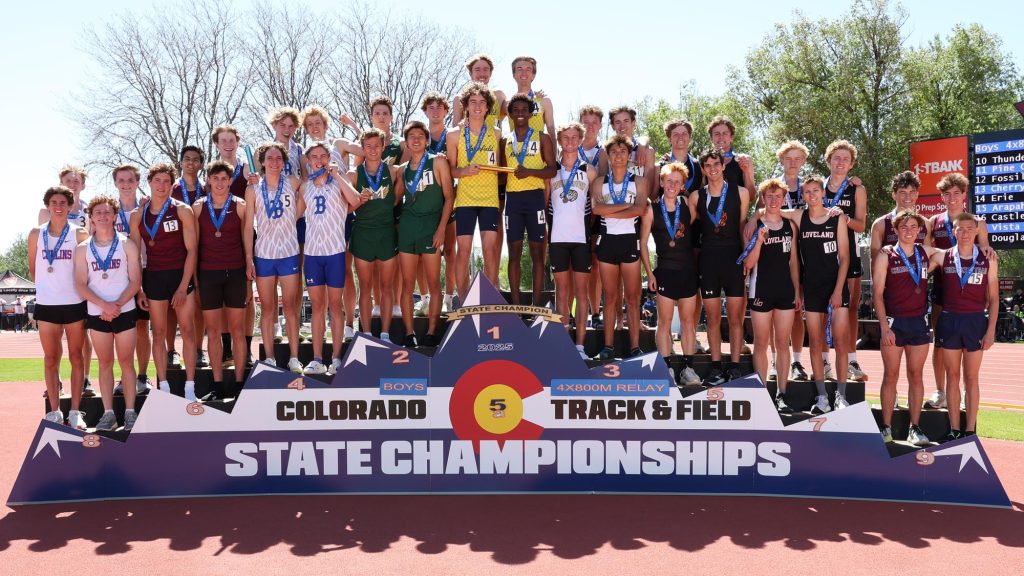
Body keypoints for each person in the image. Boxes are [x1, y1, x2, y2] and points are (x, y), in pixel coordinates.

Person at [130, 163, 199, 400]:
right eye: (157, 181)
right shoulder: (138, 215)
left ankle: (190, 387)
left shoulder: (182, 210)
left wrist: (183, 287)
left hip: (180, 275)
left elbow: (192, 250)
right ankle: (164, 386)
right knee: (158, 333)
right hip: (154, 277)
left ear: (172, 184)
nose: (162, 185)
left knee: (187, 330)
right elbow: (135, 256)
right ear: (149, 182)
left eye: (167, 181)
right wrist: (139, 289)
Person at [924, 173, 992, 410]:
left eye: (956, 193)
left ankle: (964, 393)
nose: (952, 198)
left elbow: (985, 251)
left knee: (968, 347)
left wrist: (986, 292)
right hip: (942, 288)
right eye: (947, 194)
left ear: (964, 195)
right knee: (940, 343)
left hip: (969, 292)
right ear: (942, 197)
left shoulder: (977, 222)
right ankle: (940, 391)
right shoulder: (934, 221)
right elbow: (926, 252)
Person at [74, 196, 142, 431]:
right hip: (97, 312)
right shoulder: (83, 249)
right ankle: (109, 414)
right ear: (91, 217)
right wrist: (104, 305)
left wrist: (116, 305)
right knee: (104, 363)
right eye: (98, 213)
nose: (103, 216)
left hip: (124, 310)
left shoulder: (127, 244)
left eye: (107, 212)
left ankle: (130, 412)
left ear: (114, 216)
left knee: (126, 362)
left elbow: (135, 281)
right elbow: (80, 284)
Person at [29, 186, 91, 428]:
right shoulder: (36, 233)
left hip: (74, 303)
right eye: (54, 202)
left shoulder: (80, 234)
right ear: (47, 205)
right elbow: (33, 269)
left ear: (70, 206)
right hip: (47, 304)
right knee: (50, 358)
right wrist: (48, 288)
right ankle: (54, 411)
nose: (58, 206)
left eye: (63, 203)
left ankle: (75, 411)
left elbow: (85, 268)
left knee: (76, 356)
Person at [932, 213, 998, 441]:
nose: (966, 233)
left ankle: (969, 430)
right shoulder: (943, 256)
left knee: (971, 378)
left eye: (970, 229)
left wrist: (990, 331)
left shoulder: (988, 258)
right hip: (949, 321)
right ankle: (954, 429)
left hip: (975, 322)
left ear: (977, 231)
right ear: (954, 231)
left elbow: (995, 299)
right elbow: (918, 254)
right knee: (952, 377)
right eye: (961, 229)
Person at [301, 143, 363, 374]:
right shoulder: (305, 186)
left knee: (336, 306)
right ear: (308, 161)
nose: (319, 160)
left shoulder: (339, 180)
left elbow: (355, 200)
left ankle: (336, 359)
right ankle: (317, 359)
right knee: (318, 306)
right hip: (312, 255)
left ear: (329, 158)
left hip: (335, 252)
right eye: (314, 157)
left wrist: (336, 174)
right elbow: (294, 213)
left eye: (323, 156)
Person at [874, 211, 935, 445]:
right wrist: (884, 327)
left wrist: (985, 248)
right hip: (894, 323)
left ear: (919, 230)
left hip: (919, 323)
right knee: (890, 375)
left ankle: (915, 427)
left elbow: (957, 252)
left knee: (916, 375)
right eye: (904, 227)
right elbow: (877, 294)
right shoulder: (886, 255)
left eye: (913, 227)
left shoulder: (926, 252)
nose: (909, 231)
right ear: (896, 230)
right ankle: (886, 427)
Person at [691, 149, 751, 386]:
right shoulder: (696, 197)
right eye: (707, 165)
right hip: (708, 261)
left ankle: (734, 366)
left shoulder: (741, 193)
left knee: (735, 318)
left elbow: (743, 225)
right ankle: (716, 367)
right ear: (703, 169)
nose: (713, 169)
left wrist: (746, 258)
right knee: (713, 318)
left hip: (734, 260)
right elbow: (687, 224)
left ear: (723, 165)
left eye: (716, 164)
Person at [792, 176, 851, 414]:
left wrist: (837, 290)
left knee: (840, 342)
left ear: (823, 193)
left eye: (816, 190)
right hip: (812, 288)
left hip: (836, 286)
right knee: (816, 343)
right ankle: (822, 396)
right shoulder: (800, 216)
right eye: (807, 192)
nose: (812, 195)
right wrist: (755, 218)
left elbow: (845, 257)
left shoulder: (837, 218)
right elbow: (769, 211)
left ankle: (841, 396)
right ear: (803, 195)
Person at [192, 160, 250, 399]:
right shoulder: (198, 207)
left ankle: (239, 384)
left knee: (237, 330)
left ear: (230, 181)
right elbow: (194, 247)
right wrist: (196, 280)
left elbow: (247, 240)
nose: (219, 183)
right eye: (215, 178)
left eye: (224, 178)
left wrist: (249, 270)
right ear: (208, 180)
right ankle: (217, 385)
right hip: (208, 274)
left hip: (235, 272)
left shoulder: (240, 205)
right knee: (213, 331)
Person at [244, 142, 304, 372]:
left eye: (278, 158)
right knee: (268, 309)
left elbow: (309, 192)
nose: (274, 162)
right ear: (262, 162)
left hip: (289, 252)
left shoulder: (292, 182)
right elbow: (248, 227)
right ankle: (269, 358)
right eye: (269, 158)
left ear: (284, 161)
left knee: (290, 308)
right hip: (264, 255)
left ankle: (294, 358)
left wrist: (295, 215)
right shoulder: (253, 189)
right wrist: (249, 258)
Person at [301, 105, 359, 341]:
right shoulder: (306, 154)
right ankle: (322, 326)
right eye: (310, 124)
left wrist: (353, 125)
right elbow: (305, 185)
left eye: (318, 123)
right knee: (320, 281)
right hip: (320, 220)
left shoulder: (338, 144)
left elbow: (367, 148)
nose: (315, 127)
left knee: (345, 271)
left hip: (343, 213)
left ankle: (349, 322)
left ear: (326, 125)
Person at [743, 179, 801, 411]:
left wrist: (796, 290)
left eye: (778, 196)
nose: (774, 200)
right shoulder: (754, 226)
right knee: (761, 342)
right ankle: (760, 393)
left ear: (784, 198)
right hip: (761, 289)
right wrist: (758, 241)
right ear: (763, 198)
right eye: (770, 196)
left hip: (785, 290)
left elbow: (794, 261)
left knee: (783, 343)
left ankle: (782, 394)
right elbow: (748, 263)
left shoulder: (790, 226)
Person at [640, 161, 701, 384]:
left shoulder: (687, 206)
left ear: (683, 185)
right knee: (664, 323)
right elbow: (643, 243)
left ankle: (688, 369)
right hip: (665, 272)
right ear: (661, 182)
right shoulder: (651, 210)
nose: (672, 185)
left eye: (677, 182)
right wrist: (650, 274)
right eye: (668, 181)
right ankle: (666, 369)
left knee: (688, 323)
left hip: (687, 272)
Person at [591, 135, 648, 360]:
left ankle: (635, 348)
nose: (618, 155)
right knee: (610, 297)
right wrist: (625, 205)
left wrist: (610, 208)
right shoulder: (599, 182)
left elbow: (640, 210)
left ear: (629, 155)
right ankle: (608, 347)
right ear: (608, 155)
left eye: (623, 151)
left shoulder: (639, 181)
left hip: (629, 241)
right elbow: (596, 210)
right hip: (607, 242)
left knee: (632, 298)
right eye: (614, 152)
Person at [397, 122, 454, 346]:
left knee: (433, 283)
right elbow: (395, 200)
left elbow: (449, 197)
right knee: (407, 284)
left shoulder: (437, 162)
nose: (416, 139)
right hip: (408, 229)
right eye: (411, 136)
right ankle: (409, 333)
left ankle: (431, 333)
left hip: (431, 228)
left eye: (420, 135)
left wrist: (441, 229)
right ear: (406, 142)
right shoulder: (402, 169)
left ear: (427, 140)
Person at [41, 166, 95, 399]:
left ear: (83, 185)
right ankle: (57, 380)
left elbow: (92, 242)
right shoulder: (48, 210)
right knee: (54, 344)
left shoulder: (89, 209)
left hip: (79, 283)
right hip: (54, 285)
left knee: (83, 338)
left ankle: (85, 378)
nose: (72, 184)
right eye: (67, 180)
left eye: (76, 181)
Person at [500, 93, 557, 305]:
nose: (520, 114)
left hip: (535, 199)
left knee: (537, 254)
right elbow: (501, 174)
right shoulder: (505, 141)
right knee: (513, 253)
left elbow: (552, 170)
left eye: (524, 110)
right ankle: (515, 305)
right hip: (513, 201)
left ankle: (536, 304)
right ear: (510, 115)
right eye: (516, 111)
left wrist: (530, 172)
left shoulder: (542, 138)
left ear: (531, 113)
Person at [447, 82, 501, 298]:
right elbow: (451, 170)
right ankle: (463, 301)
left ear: (488, 107)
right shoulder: (454, 134)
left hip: (490, 199)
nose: (477, 106)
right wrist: (464, 171)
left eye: (481, 102)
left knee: (490, 251)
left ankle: (489, 298)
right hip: (465, 200)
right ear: (466, 106)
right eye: (473, 102)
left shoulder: (496, 133)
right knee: (464, 250)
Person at [348, 128, 404, 340]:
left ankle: (385, 333)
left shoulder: (394, 171)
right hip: (363, 234)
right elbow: (346, 209)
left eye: (376, 146)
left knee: (387, 286)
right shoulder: (353, 175)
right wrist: (358, 201)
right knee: (365, 287)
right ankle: (367, 333)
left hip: (386, 233)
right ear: (362, 148)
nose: (372, 150)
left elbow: (397, 198)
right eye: (368, 146)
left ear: (383, 147)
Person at [548, 122, 596, 359]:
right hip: (557, 238)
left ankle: (580, 347)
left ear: (580, 140)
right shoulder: (551, 171)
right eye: (565, 137)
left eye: (574, 137)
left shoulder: (590, 171)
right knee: (562, 292)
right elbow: (545, 203)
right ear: (559, 140)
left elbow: (595, 207)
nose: (569, 141)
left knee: (581, 292)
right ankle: (563, 345)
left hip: (581, 239)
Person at [822, 140, 868, 383]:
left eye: (845, 159)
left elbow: (861, 225)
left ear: (851, 164)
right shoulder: (817, 187)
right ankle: (823, 361)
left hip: (849, 254)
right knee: (820, 309)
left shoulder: (856, 189)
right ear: (828, 161)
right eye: (836, 158)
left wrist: (844, 218)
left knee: (850, 309)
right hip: (821, 255)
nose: (840, 162)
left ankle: (851, 360)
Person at [212, 124, 256, 367]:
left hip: (246, 235)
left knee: (247, 295)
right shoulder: (213, 171)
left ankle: (246, 349)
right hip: (220, 240)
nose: (228, 145)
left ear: (237, 142)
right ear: (217, 144)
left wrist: (256, 181)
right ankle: (227, 348)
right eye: (223, 141)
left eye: (232, 140)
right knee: (221, 298)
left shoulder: (248, 168)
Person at [111, 164, 153, 396]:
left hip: (145, 270)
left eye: (130, 180)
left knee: (142, 327)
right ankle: (124, 377)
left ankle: (143, 377)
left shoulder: (147, 207)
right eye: (121, 180)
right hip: (117, 275)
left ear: (137, 183)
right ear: (115, 183)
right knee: (120, 330)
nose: (126, 184)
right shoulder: (108, 210)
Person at [170, 146, 209, 370]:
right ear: (181, 163)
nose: (191, 163)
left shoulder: (207, 188)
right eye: (187, 159)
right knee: (172, 305)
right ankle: (171, 351)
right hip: (177, 251)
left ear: (201, 164)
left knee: (200, 303)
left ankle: (199, 350)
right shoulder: (172, 188)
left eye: (195, 160)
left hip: (203, 250)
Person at [774, 141, 810, 382]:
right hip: (777, 254)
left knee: (798, 311)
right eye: (789, 158)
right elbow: (760, 213)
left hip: (805, 253)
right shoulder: (773, 186)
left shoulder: (810, 187)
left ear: (803, 162)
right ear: (781, 160)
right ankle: (775, 360)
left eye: (798, 159)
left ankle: (796, 361)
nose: (793, 163)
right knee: (772, 312)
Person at [579, 105, 608, 330]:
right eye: (585, 122)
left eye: (594, 123)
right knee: (574, 263)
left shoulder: (605, 151)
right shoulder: (568, 147)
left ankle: (596, 312)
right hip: (573, 211)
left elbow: (606, 180)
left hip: (597, 211)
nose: (590, 127)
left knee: (596, 263)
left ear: (600, 126)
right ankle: (571, 312)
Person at [452, 53, 506, 133]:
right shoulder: (459, 99)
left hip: (494, 140)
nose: (482, 73)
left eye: (485, 69)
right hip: (469, 140)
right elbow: (455, 130)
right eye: (477, 69)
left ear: (490, 73)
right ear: (471, 73)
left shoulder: (499, 96)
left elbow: (515, 109)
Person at [506, 56, 555, 136]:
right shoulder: (507, 103)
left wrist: (554, 145)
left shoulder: (544, 101)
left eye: (528, 69)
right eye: (519, 69)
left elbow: (551, 128)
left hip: (539, 144)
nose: (524, 73)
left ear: (533, 75)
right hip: (514, 144)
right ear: (514, 75)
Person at [707, 116, 756, 194]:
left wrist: (746, 171)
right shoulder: (705, 162)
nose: (721, 137)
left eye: (725, 133)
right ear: (711, 138)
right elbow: (700, 194)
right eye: (717, 134)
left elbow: (751, 195)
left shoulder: (744, 160)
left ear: (731, 137)